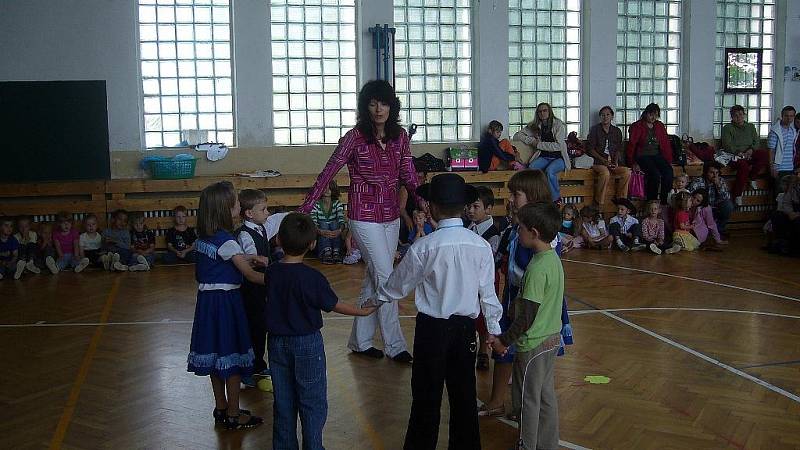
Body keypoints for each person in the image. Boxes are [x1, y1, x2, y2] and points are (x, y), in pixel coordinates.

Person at [374, 173, 503, 450]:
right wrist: (493, 330)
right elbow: (488, 294)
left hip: (432, 330)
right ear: (464, 206)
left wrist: (376, 299)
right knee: (464, 396)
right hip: (466, 331)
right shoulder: (479, 245)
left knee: (425, 397)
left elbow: (398, 285)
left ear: (431, 207)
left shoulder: (425, 246)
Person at [298, 79, 420, 363]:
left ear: (392, 106)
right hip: (362, 215)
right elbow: (328, 173)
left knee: (373, 277)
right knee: (386, 277)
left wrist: (425, 204)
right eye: (373, 103)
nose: (379, 109)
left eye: (384, 103)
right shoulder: (353, 137)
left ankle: (360, 341)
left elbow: (408, 175)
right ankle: (395, 345)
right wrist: (306, 207)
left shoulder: (400, 136)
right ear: (366, 107)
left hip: (390, 215)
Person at [266, 212, 376, 449]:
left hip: (276, 343)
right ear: (312, 244)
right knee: (312, 400)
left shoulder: (272, 272)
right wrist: (362, 312)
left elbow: (263, 278)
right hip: (306, 343)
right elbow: (334, 305)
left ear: (279, 241)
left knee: (283, 401)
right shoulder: (312, 277)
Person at [187, 181, 267, 430]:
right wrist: (283, 278)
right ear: (224, 210)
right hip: (227, 305)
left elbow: (222, 261)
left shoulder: (204, 239)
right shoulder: (228, 242)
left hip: (208, 305)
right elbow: (252, 276)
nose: (239, 206)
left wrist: (249, 257)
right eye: (235, 204)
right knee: (231, 359)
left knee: (215, 356)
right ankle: (234, 413)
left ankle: (221, 406)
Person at [488, 201, 564, 450]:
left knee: (527, 399)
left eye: (520, 228)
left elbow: (528, 316)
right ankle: (547, 444)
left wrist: (503, 340)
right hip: (551, 338)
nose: (516, 231)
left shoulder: (537, 268)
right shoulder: (552, 259)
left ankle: (527, 444)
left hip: (533, 344)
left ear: (534, 233)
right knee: (545, 396)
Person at [236, 189, 272, 387]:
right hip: (251, 288)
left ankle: (258, 364)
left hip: (261, 288)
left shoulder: (261, 227)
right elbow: (253, 260)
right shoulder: (244, 234)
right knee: (253, 328)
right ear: (249, 213)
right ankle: (247, 368)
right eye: (264, 209)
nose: (267, 212)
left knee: (260, 328)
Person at [466, 186, 501, 370]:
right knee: (471, 313)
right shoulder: (468, 227)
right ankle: (471, 346)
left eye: (475, 206)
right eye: (469, 206)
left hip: (487, 279)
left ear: (488, 209)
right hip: (469, 279)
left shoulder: (493, 233)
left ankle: (484, 351)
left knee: (484, 315)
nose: (470, 210)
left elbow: (490, 260)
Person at [514, 103, 571, 202]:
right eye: (540, 111)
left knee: (550, 171)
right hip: (544, 157)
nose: (542, 113)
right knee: (531, 168)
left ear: (549, 112)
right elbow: (517, 135)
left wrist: (539, 144)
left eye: (545, 110)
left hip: (559, 158)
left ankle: (555, 199)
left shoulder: (558, 125)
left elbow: (558, 146)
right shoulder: (535, 126)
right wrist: (531, 141)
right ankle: (536, 196)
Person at [626, 103, 674, 204]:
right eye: (651, 114)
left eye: (656, 115)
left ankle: (664, 201)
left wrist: (668, 160)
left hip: (656, 155)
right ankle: (652, 201)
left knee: (668, 171)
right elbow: (632, 145)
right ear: (646, 114)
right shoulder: (637, 126)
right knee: (654, 174)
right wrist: (632, 162)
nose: (653, 117)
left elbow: (665, 144)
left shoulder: (659, 126)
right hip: (642, 156)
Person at [720, 105, 768, 204]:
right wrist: (739, 152)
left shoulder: (750, 126)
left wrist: (751, 150)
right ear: (732, 117)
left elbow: (756, 141)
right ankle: (738, 194)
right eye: (736, 115)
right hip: (735, 155)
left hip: (749, 153)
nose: (739, 117)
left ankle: (752, 177)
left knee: (763, 154)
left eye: (741, 115)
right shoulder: (727, 128)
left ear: (744, 115)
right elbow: (727, 145)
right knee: (743, 166)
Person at [585, 106, 631, 209]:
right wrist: (604, 161)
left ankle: (621, 201)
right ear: (600, 117)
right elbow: (590, 149)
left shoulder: (617, 131)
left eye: (607, 115)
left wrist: (615, 162)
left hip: (612, 162)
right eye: (603, 115)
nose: (605, 117)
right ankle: (598, 203)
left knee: (627, 172)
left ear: (612, 117)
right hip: (598, 162)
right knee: (605, 173)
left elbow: (618, 149)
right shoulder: (595, 130)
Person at [688, 161, 734, 235]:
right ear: (706, 172)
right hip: (701, 211)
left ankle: (718, 230)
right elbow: (689, 197)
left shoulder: (720, 181)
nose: (715, 175)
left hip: (715, 209)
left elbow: (726, 197)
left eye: (717, 173)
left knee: (728, 206)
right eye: (712, 172)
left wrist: (718, 185)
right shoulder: (698, 182)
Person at [310, 180, 346, 264]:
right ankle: (326, 251)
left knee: (334, 224)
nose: (326, 190)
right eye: (324, 188)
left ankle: (336, 251)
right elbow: (313, 222)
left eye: (329, 188)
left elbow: (341, 220)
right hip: (320, 237)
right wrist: (320, 231)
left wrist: (339, 231)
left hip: (335, 233)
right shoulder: (316, 204)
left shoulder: (337, 204)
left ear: (333, 190)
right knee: (323, 224)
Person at [769, 171, 800, 254]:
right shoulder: (793, 187)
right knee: (777, 215)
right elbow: (786, 203)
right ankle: (783, 244)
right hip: (793, 212)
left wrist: (797, 214)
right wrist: (790, 212)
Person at [767, 106, 798, 183]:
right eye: (786, 116)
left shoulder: (793, 131)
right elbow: (771, 150)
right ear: (782, 116)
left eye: (791, 116)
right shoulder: (775, 131)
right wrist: (772, 167)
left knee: (788, 193)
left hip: (790, 167)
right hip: (778, 167)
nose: (789, 118)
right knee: (778, 192)